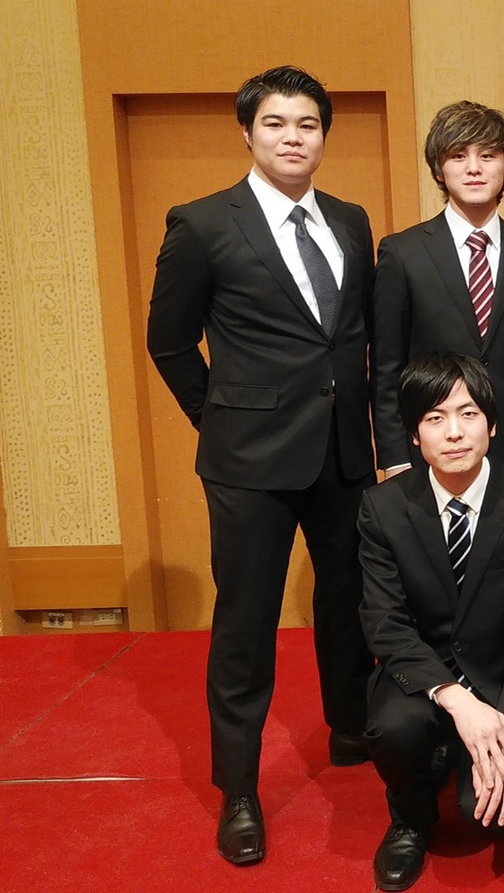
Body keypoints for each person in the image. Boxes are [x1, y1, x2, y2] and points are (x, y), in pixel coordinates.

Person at [146, 65, 376, 864]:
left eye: (307, 124)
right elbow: (169, 342)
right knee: (246, 625)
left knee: (350, 603)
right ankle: (239, 789)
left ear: (323, 135)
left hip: (343, 451)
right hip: (248, 463)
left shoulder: (350, 221)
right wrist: (218, 419)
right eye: (276, 123)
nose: (292, 137)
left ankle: (352, 727)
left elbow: (352, 338)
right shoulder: (204, 224)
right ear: (247, 132)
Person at [357, 353, 504, 891]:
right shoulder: (382, 508)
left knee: (495, 819)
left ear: (492, 424)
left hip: (502, 682)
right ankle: (410, 819)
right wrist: (456, 700)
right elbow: (385, 623)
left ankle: (469, 756)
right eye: (435, 418)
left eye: (468, 413)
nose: (453, 432)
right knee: (394, 728)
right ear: (414, 435)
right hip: (424, 679)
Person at [372, 101, 504, 482]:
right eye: (458, 156)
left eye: (487, 155)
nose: (474, 168)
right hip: (428, 448)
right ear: (439, 170)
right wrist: (394, 456)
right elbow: (386, 368)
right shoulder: (403, 253)